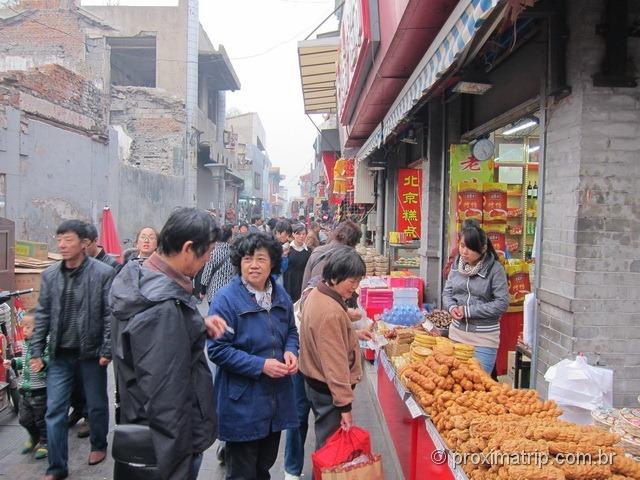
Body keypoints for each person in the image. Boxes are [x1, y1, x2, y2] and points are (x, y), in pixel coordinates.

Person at [110, 207, 228, 480]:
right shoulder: (162, 309)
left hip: (146, 423)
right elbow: (167, 398)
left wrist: (195, 325)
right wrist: (177, 465)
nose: (208, 259)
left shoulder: (141, 278)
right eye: (207, 252)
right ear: (188, 248)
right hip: (169, 443)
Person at [208, 233, 299, 480]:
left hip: (276, 398)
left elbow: (291, 330)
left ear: (273, 263)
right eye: (248, 259)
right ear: (239, 263)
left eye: (261, 259)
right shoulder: (226, 299)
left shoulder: (281, 296)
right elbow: (217, 349)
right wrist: (260, 365)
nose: (254, 265)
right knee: (242, 472)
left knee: (264, 466)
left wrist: (291, 350)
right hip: (242, 400)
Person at [30, 219, 114, 480]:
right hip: (60, 354)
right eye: (59, 240)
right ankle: (57, 467)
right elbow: (42, 314)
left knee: (97, 403)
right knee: (55, 410)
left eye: (68, 240)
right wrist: (35, 351)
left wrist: (107, 349)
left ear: (84, 243)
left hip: (91, 353)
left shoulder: (102, 273)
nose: (62, 245)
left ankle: (98, 444)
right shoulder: (50, 275)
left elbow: (109, 314)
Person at [298, 247, 367, 450]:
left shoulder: (317, 293)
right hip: (327, 389)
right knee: (330, 447)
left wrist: (352, 335)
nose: (354, 288)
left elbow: (325, 340)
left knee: (326, 441)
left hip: (314, 381)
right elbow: (334, 363)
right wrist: (344, 405)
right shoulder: (330, 311)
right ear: (335, 277)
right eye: (351, 281)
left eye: (358, 282)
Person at [442, 223, 509, 374]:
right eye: (462, 246)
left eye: (470, 248)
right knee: (454, 385)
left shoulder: (495, 269)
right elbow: (447, 293)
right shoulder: (456, 265)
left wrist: (468, 311)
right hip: (456, 334)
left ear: (483, 249)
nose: (464, 252)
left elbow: (501, 303)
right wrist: (452, 308)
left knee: (478, 386)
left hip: (483, 338)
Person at [4, 311, 49, 460]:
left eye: (28, 327)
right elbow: (22, 363)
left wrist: (42, 364)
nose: (24, 330)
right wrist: (12, 363)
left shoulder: (44, 344)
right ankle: (34, 436)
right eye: (24, 327)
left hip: (39, 391)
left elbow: (48, 362)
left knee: (41, 420)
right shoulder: (25, 345)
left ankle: (45, 442)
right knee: (24, 419)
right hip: (25, 390)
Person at [301, 220, 362, 292]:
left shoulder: (317, 251)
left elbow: (305, 282)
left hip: (310, 299)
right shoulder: (344, 259)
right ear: (353, 243)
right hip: (325, 299)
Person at [200, 224, 236, 304]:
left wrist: (202, 292)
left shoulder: (212, 253)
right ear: (230, 238)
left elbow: (206, 274)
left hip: (214, 293)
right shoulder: (234, 253)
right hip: (230, 294)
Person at [283, 224, 311, 304]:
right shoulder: (287, 249)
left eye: (303, 234)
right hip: (289, 280)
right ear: (293, 234)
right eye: (298, 234)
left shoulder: (308, 250)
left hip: (303, 280)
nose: (301, 236)